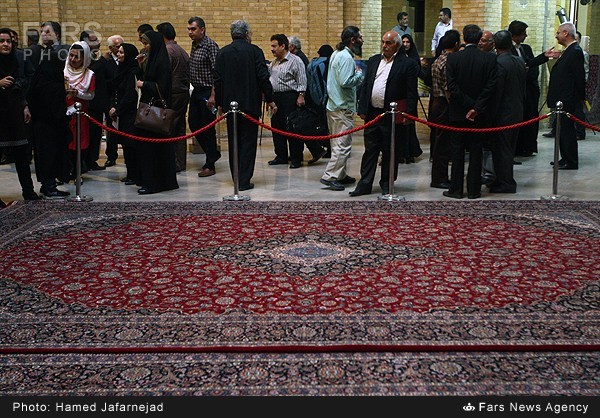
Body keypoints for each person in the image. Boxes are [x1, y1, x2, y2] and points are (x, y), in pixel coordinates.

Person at [350, 30, 418, 196]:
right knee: (370, 150)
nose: (384, 46)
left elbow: (411, 91)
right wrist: (362, 108)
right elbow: (366, 86)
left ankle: (387, 183)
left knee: (390, 151)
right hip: (373, 114)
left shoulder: (407, 64)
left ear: (397, 45)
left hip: (392, 115)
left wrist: (410, 114)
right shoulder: (374, 60)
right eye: (383, 42)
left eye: (388, 43)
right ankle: (364, 184)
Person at [213, 20, 276, 191]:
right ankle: (244, 179)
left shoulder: (223, 53)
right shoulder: (255, 51)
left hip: (230, 106)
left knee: (233, 142)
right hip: (250, 105)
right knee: (248, 143)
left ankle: (236, 178)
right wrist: (269, 98)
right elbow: (263, 77)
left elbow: (217, 81)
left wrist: (219, 103)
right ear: (247, 34)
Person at [443, 24, 497, 200]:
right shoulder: (489, 58)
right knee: (476, 150)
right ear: (479, 38)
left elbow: (452, 86)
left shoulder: (453, 58)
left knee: (457, 151)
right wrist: (476, 107)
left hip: (458, 111)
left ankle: (456, 189)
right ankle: (474, 190)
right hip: (479, 114)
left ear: (464, 38)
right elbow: (491, 87)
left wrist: (468, 105)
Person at [531, 22, 585, 170]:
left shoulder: (575, 51)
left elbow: (578, 77)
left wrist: (578, 98)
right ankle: (565, 157)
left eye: (558, 32)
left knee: (567, 131)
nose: (556, 35)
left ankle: (571, 161)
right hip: (562, 100)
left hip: (567, 100)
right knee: (562, 131)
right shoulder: (568, 51)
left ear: (566, 33)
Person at [319, 25, 364, 192]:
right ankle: (330, 176)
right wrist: (359, 74)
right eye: (360, 37)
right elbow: (345, 82)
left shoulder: (337, 53)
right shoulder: (346, 57)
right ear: (352, 40)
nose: (362, 40)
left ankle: (341, 174)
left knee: (338, 143)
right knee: (342, 145)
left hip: (334, 105)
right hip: (342, 106)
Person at [135, 30, 179, 194]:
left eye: (147, 44)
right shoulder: (151, 60)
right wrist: (140, 67)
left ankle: (155, 183)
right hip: (150, 109)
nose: (145, 47)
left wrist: (144, 85)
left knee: (154, 150)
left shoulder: (162, 61)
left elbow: (162, 86)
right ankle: (151, 180)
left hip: (156, 111)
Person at [0, 28, 40, 201]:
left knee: (22, 155)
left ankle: (28, 192)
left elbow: (30, 78)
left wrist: (25, 104)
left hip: (16, 110)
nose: (5, 44)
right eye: (1, 41)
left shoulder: (20, 57)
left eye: (8, 41)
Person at [27, 49, 71, 198]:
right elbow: (57, 112)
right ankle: (50, 187)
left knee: (42, 157)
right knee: (51, 157)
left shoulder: (38, 81)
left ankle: (46, 185)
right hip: (52, 129)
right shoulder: (55, 86)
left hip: (39, 127)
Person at [487, 30, 526, 193]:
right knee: (508, 148)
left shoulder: (498, 63)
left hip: (503, 113)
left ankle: (506, 182)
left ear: (494, 45)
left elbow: (497, 92)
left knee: (501, 149)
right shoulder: (519, 61)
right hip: (517, 109)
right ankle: (502, 179)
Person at [267, 33, 309, 169]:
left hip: (290, 98)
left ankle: (296, 158)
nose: (272, 49)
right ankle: (281, 156)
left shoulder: (295, 61)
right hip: (276, 98)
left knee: (292, 128)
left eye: (274, 46)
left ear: (283, 46)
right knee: (277, 128)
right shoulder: (273, 63)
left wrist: (301, 95)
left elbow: (302, 80)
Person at [187, 16, 221, 178]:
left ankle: (210, 163)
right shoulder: (195, 45)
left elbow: (217, 72)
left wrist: (214, 95)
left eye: (193, 29)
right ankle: (212, 153)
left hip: (208, 91)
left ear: (202, 29)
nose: (190, 32)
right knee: (194, 124)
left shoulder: (210, 46)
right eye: (189, 29)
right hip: (197, 90)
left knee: (207, 128)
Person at [157, 21, 190, 173]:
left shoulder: (167, 51)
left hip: (173, 94)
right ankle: (180, 162)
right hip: (183, 93)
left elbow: (164, 74)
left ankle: (172, 163)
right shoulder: (181, 50)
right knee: (180, 129)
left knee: (169, 128)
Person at [429, 30, 460, 190]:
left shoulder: (438, 59)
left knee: (440, 142)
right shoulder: (447, 61)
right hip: (443, 104)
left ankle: (439, 177)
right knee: (443, 144)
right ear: (456, 44)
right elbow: (448, 88)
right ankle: (439, 178)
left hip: (436, 103)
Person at [508, 20, 543, 156]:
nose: (525, 36)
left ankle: (527, 147)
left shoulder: (524, 48)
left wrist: (544, 57)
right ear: (515, 35)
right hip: (515, 92)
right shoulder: (508, 49)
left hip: (528, 91)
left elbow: (531, 65)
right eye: (523, 34)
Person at [109, 43, 141, 186]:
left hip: (130, 114)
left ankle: (135, 174)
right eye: (118, 52)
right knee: (126, 146)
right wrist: (112, 106)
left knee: (131, 145)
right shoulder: (120, 69)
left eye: (122, 52)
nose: (118, 54)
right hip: (121, 113)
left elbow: (130, 95)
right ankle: (130, 173)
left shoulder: (133, 71)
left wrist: (118, 110)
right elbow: (115, 90)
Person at [64, 41, 96, 181]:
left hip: (80, 114)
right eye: (71, 55)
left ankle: (77, 172)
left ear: (84, 58)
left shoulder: (89, 74)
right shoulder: (63, 70)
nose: (72, 59)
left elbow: (91, 95)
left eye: (77, 57)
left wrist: (77, 93)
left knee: (78, 143)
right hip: (63, 111)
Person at [80, 30, 108, 172]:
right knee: (86, 133)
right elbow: (89, 73)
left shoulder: (95, 57)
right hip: (87, 102)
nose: (98, 43)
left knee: (96, 134)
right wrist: (103, 60)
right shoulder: (81, 57)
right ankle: (83, 161)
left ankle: (92, 159)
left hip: (98, 103)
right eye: (94, 40)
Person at [400, 33, 423, 163]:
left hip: (411, 95)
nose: (405, 44)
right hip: (400, 95)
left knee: (409, 125)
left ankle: (410, 152)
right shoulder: (398, 57)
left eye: (408, 42)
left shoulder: (414, 58)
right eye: (403, 42)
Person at [103, 35, 124, 168]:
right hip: (110, 98)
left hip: (123, 98)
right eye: (116, 46)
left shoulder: (126, 59)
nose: (119, 48)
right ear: (110, 48)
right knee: (111, 129)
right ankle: (111, 156)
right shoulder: (106, 61)